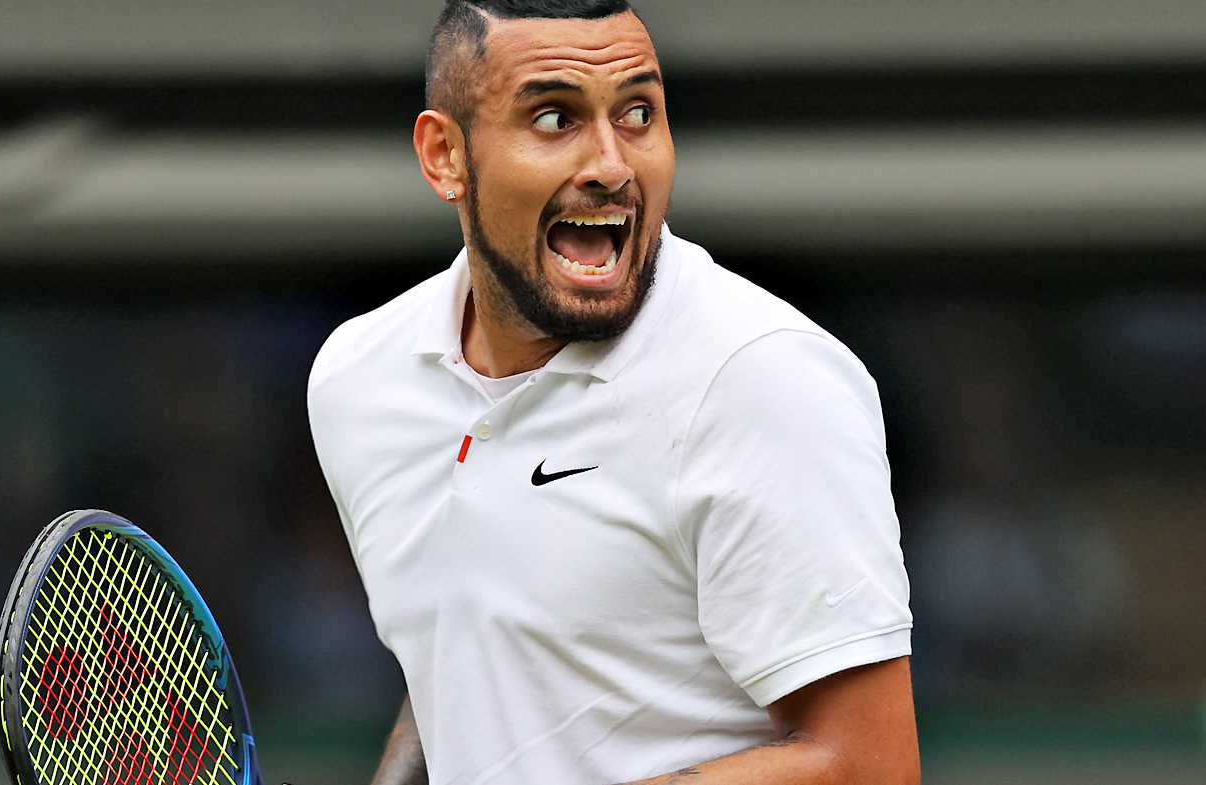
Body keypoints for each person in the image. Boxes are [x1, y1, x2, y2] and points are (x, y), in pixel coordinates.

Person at [306, 1, 919, 783]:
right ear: (445, 156)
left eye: (637, 113)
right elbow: (465, 643)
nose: (611, 164)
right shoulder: (358, 376)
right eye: (556, 117)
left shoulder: (764, 378)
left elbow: (868, 766)